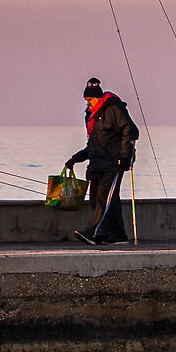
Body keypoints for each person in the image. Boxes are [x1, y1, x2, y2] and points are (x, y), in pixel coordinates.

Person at [65, 77, 140, 245]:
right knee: (98, 199)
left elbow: (130, 131)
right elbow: (93, 143)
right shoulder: (90, 116)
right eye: (86, 100)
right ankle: (116, 235)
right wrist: (76, 158)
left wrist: (124, 156)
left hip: (114, 162)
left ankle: (93, 233)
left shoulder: (113, 109)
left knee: (104, 198)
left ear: (98, 98)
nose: (88, 103)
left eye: (90, 99)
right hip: (97, 163)